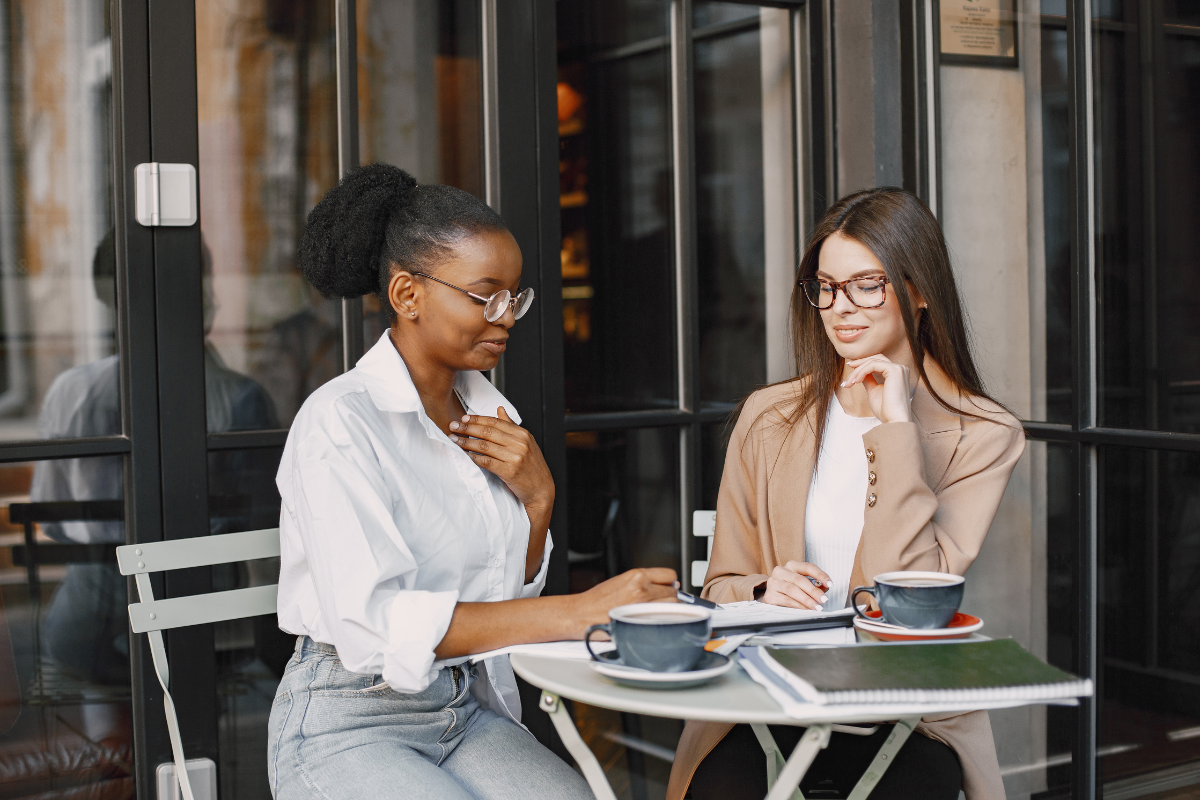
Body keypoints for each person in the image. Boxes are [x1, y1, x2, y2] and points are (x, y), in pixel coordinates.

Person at [268, 163, 678, 800]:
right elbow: (374, 624)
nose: (507, 315)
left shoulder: (487, 418)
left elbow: (497, 590)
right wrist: (576, 612)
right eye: (485, 295)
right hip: (348, 718)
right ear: (408, 296)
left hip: (463, 707)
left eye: (514, 296)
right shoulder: (339, 423)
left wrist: (539, 501)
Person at [668, 188, 1025, 800]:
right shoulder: (768, 415)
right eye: (826, 287)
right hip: (769, 700)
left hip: (906, 709)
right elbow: (721, 586)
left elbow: (909, 600)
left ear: (917, 290)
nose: (841, 308)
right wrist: (763, 589)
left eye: (867, 284)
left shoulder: (984, 434)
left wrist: (896, 431)